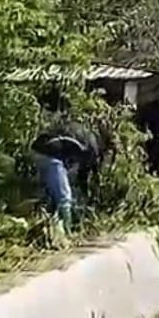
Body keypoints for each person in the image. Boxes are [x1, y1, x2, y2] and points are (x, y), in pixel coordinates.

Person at [31, 93, 105, 234]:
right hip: (50, 155)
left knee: (52, 192)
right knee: (65, 197)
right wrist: (90, 199)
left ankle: (49, 223)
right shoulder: (92, 148)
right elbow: (85, 176)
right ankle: (67, 231)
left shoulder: (82, 134)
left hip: (38, 150)